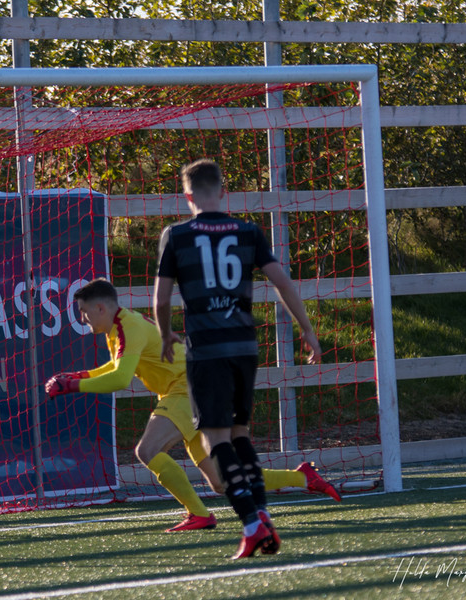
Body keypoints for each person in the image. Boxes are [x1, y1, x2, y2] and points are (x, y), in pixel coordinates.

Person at [44, 278, 337, 534]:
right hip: (191, 388)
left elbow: (121, 379)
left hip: (189, 388)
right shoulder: (119, 325)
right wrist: (78, 377)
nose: (82, 318)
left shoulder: (127, 327)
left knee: (147, 450)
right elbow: (116, 367)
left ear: (100, 308)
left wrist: (72, 386)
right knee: (221, 482)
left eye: (83, 312)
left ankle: (199, 514)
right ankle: (302, 477)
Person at [154, 159, 323, 559]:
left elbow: (161, 298)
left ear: (187, 195)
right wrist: (306, 328)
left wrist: (165, 334)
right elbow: (282, 282)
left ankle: (250, 523)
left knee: (214, 438)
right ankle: (262, 513)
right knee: (240, 433)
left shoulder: (176, 235)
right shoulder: (248, 231)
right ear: (223, 191)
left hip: (207, 350)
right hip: (244, 347)